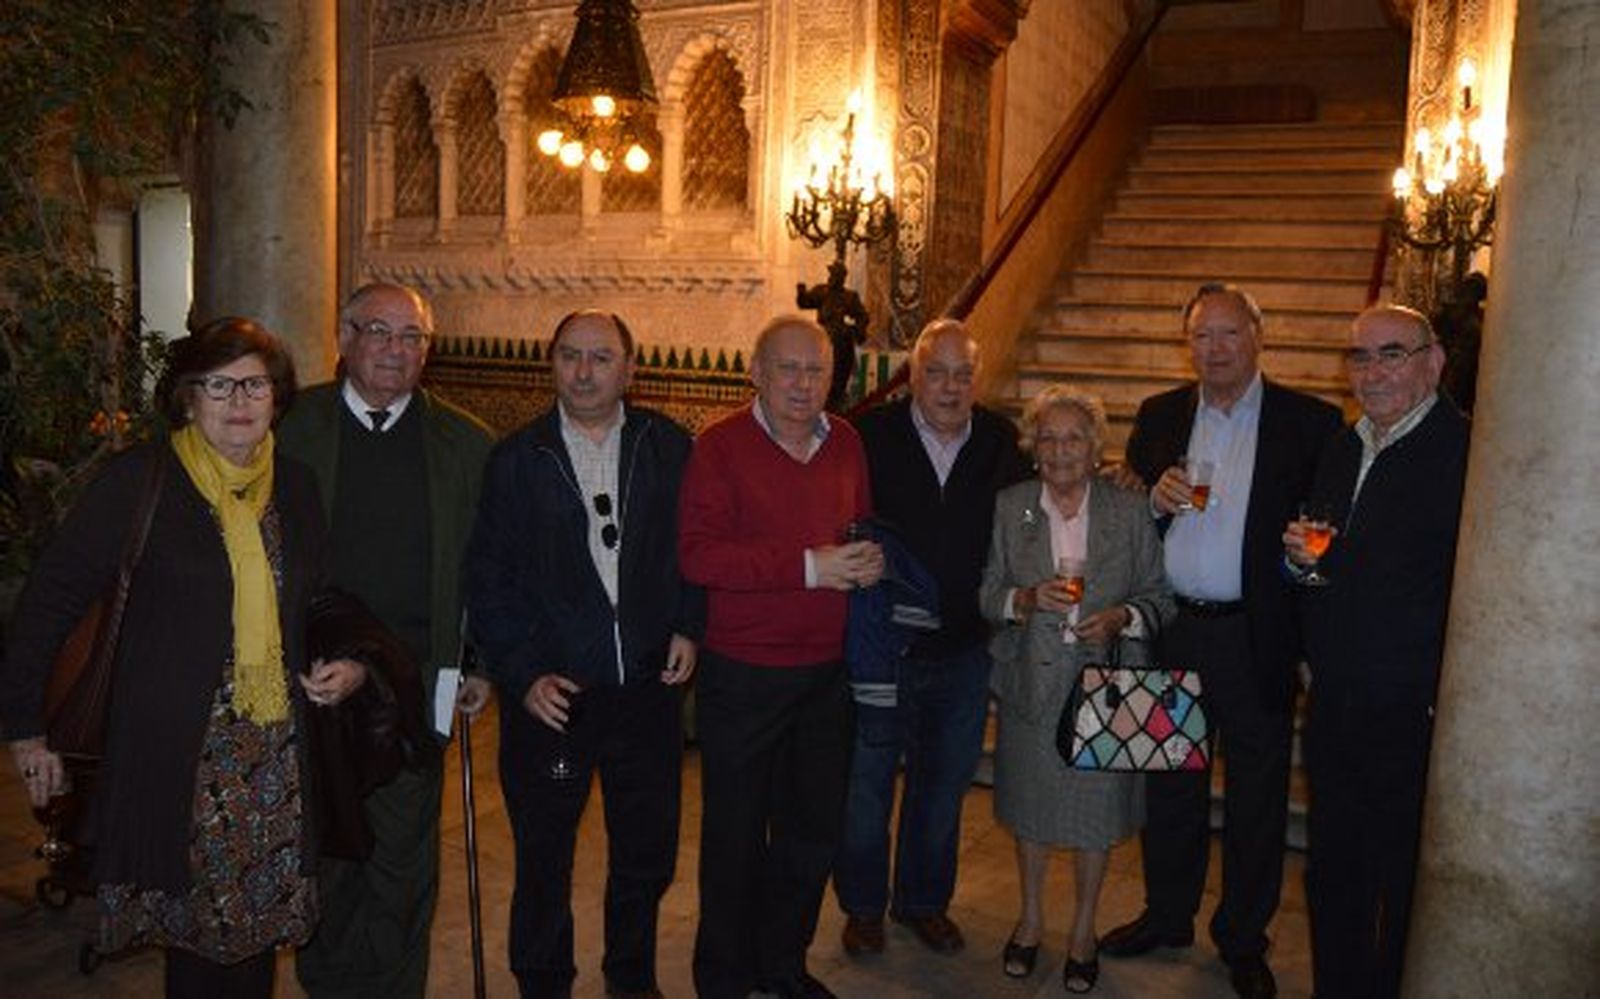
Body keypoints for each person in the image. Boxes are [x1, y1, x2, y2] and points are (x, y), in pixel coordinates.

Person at [1, 318, 374, 998]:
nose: (239, 401)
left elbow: (321, 600)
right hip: (177, 756)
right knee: (201, 942)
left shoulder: (295, 486)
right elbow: (49, 599)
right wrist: (25, 726)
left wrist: (349, 661)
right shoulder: (139, 482)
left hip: (272, 757)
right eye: (219, 384)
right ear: (187, 397)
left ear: (277, 396)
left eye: (255, 384)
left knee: (255, 933)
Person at [1102, 282, 1342, 999]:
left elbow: (1324, 539)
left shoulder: (1312, 422)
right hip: (1170, 629)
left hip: (1253, 636)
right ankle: (1167, 914)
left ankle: (1243, 937)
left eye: (1229, 334)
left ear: (1258, 337)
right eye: (1202, 336)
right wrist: (1148, 500)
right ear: (1189, 343)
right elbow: (1123, 525)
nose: (1215, 349)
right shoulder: (1159, 415)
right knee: (1167, 786)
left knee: (1257, 798)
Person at [465, 310, 701, 999]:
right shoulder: (516, 459)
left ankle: (631, 978)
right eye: (571, 355)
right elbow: (489, 578)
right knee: (544, 856)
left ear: (630, 367)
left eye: (602, 357)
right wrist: (523, 671)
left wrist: (690, 624)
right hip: (555, 697)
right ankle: (543, 982)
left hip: (647, 692)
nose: (585, 370)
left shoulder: (668, 446)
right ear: (552, 364)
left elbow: (695, 546)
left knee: (645, 853)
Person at [277, 281, 495, 998]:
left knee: (402, 859)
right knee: (328, 849)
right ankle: (329, 982)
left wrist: (479, 662)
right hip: (307, 682)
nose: (395, 350)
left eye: (412, 337)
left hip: (414, 683)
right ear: (344, 336)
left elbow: (491, 567)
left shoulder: (465, 443)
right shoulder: (289, 427)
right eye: (379, 330)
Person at [679, 315, 884, 999]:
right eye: (789, 368)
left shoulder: (847, 441)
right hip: (744, 672)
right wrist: (807, 566)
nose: (803, 383)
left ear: (835, 376)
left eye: (817, 370)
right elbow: (700, 554)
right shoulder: (719, 446)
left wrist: (867, 559)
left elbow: (854, 529)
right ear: (756, 373)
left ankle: (782, 962)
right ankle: (723, 976)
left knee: (810, 834)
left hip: (827, 673)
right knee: (735, 837)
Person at [1283, 305, 1468, 999]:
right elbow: (1322, 560)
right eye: (1360, 357)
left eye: (1392, 353)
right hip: (1335, 701)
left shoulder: (1465, 454)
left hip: (1409, 711)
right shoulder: (1342, 446)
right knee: (1333, 870)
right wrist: (1300, 566)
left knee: (1402, 883)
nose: (1373, 371)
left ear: (1434, 361)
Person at [834, 318, 1026, 957]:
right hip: (883, 650)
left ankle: (922, 903)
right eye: (936, 372)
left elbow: (1040, 510)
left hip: (964, 650)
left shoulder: (999, 441)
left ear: (977, 379)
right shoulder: (870, 436)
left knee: (942, 788)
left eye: (962, 374)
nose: (949, 386)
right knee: (865, 786)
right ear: (912, 375)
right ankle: (862, 908)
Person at [977, 385, 1175, 993]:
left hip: (1110, 681)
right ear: (1034, 449)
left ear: (1095, 450)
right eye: (1049, 437)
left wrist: (1121, 617)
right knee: (1032, 814)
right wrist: (1024, 600)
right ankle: (1032, 922)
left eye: (1074, 438)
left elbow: (1161, 599)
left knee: (1097, 818)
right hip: (1031, 680)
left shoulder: (1128, 507)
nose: (1060, 450)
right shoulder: (1013, 507)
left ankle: (1085, 931)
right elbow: (987, 595)